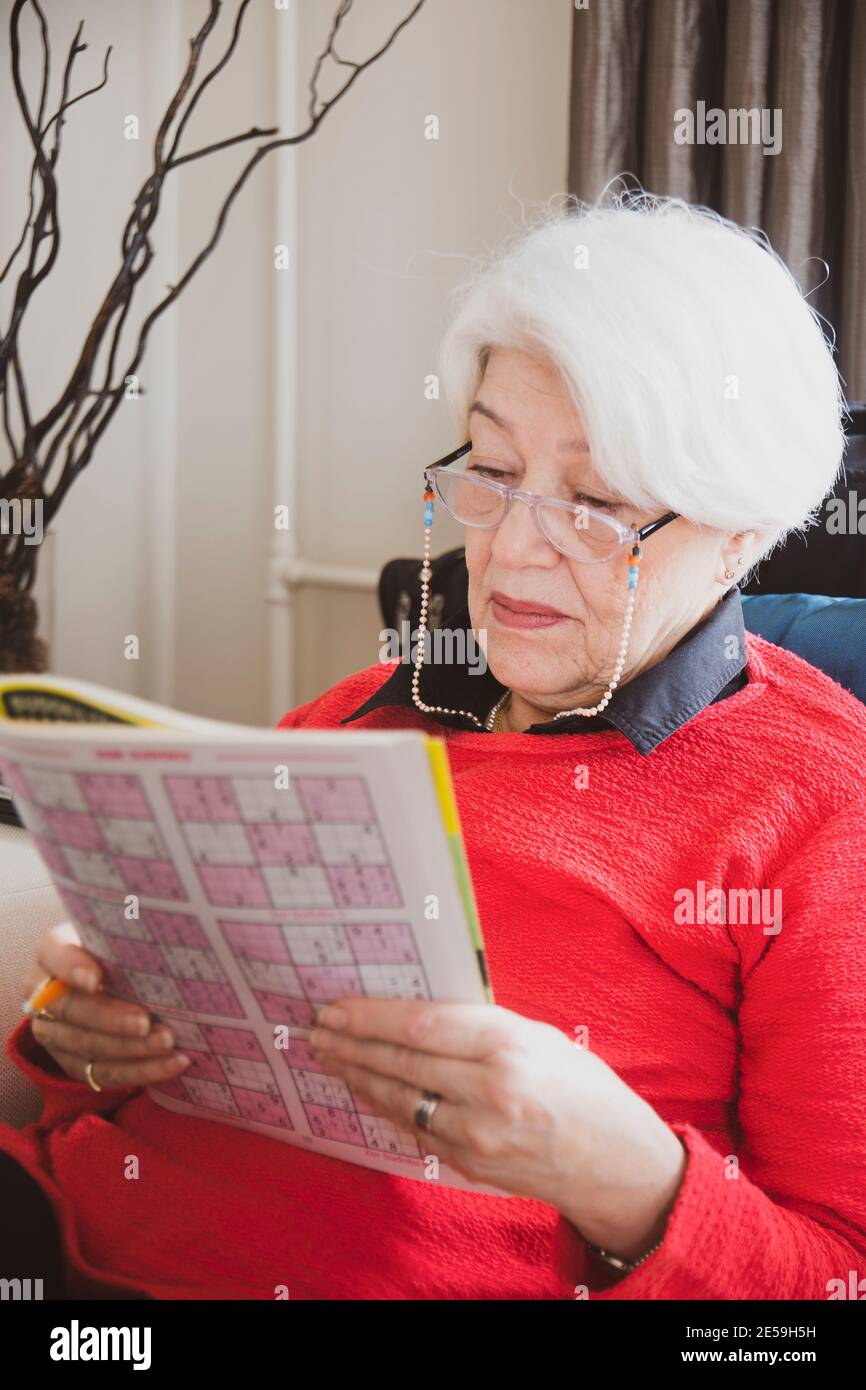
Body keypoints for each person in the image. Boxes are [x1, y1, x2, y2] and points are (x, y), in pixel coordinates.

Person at [3, 189, 865, 1300]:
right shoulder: (366, 709)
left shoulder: (819, 805)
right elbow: (112, 1088)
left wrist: (630, 1183)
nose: (509, 551)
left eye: (594, 502)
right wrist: (80, 1046)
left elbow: (832, 1285)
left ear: (737, 537)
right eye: (492, 473)